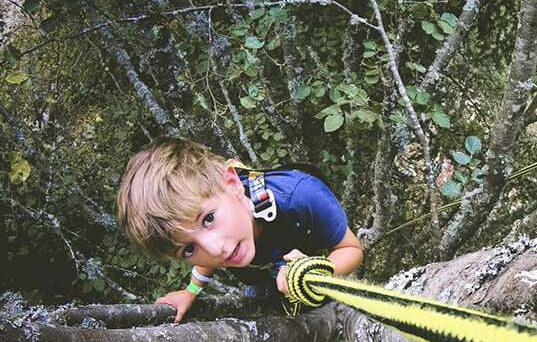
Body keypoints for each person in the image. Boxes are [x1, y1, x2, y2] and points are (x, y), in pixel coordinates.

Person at [116, 137, 363, 323]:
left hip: (304, 255)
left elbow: (351, 249)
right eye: (189, 249)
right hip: (265, 272)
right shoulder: (225, 234)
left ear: (233, 184)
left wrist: (316, 273)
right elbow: (207, 256)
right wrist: (190, 292)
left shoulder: (302, 196)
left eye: (209, 219)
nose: (215, 250)